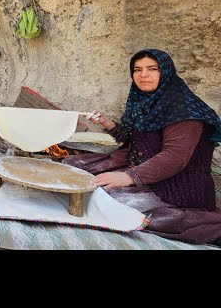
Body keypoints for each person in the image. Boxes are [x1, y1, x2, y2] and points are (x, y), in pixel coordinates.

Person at [64, 48, 221, 245]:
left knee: (107, 199)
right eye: (137, 70)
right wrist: (107, 123)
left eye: (152, 69)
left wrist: (128, 177)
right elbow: (136, 139)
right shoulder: (147, 102)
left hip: (178, 188)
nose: (143, 75)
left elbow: (174, 157)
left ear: (166, 73)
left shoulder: (185, 111)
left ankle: (202, 225)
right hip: (149, 174)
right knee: (73, 165)